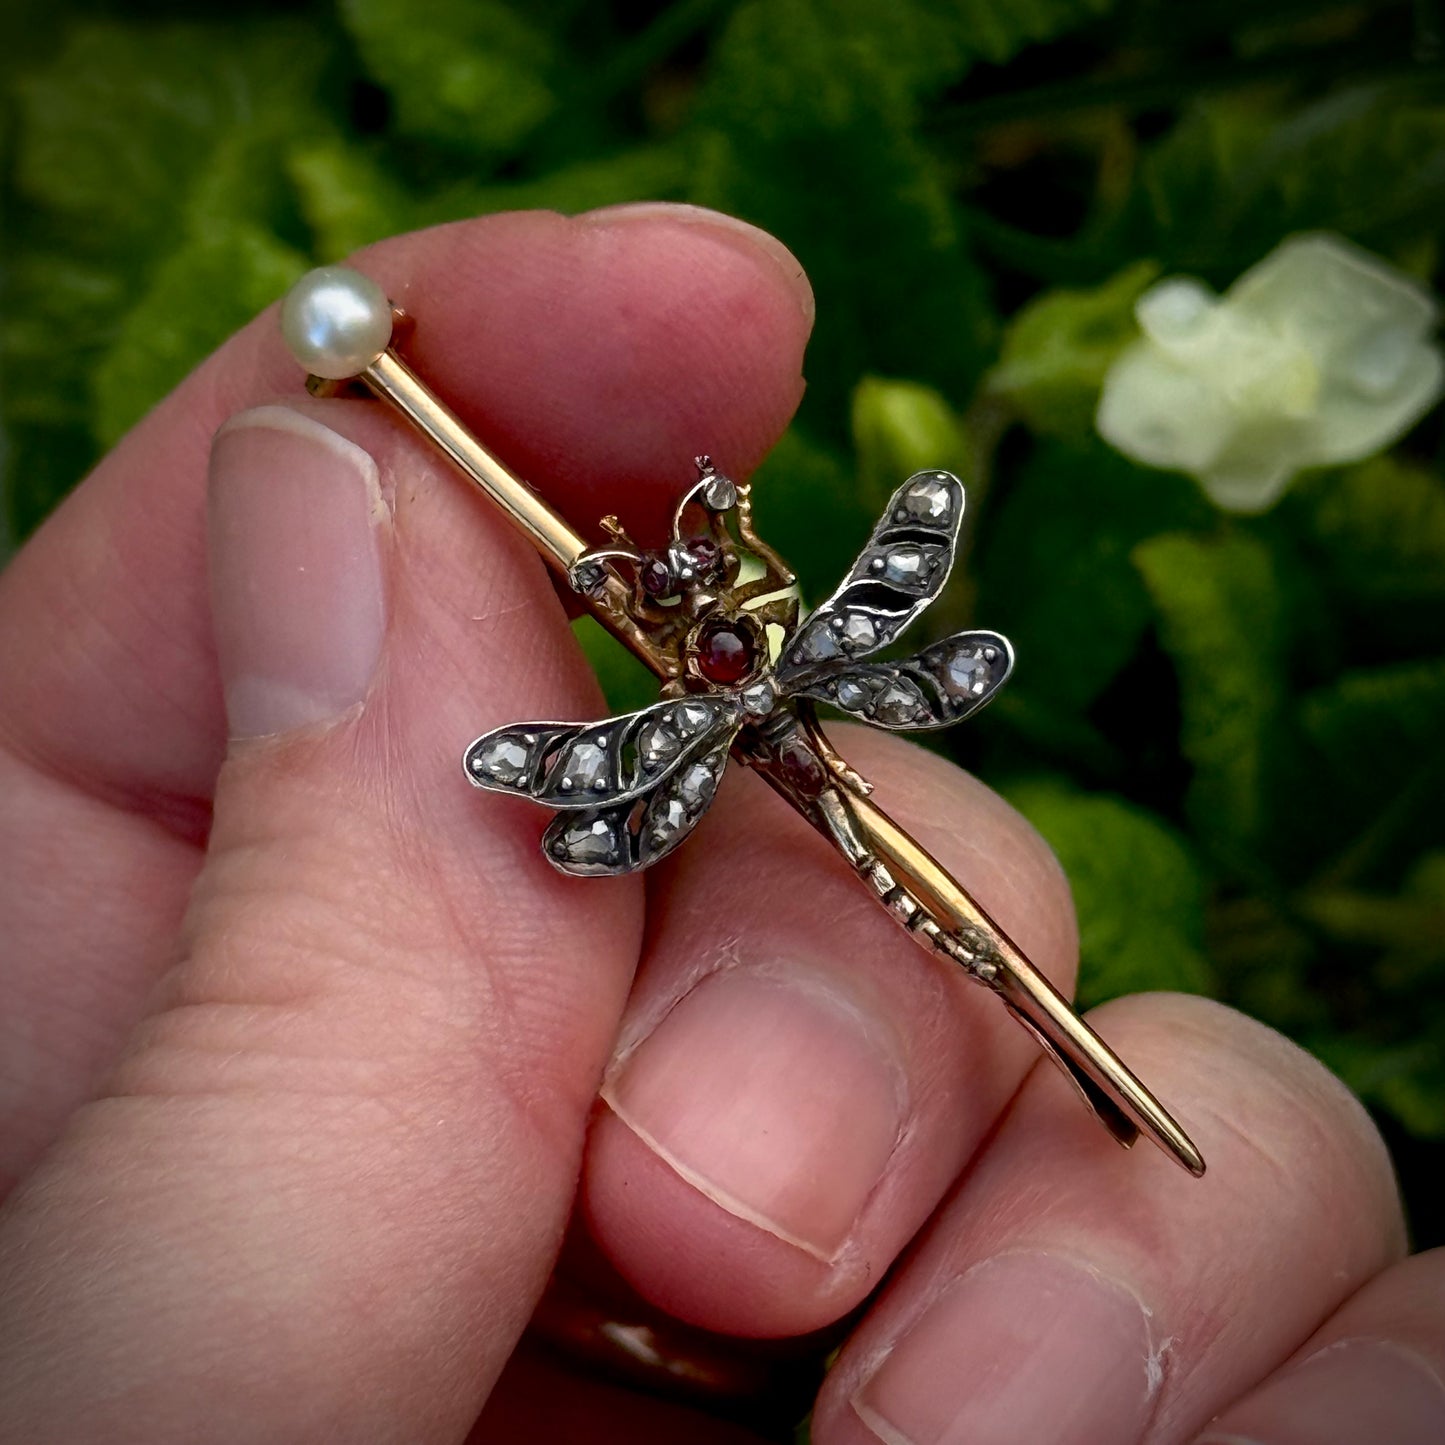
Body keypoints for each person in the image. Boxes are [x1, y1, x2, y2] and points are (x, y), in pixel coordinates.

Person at [0, 203, 1438, 1445]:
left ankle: (1047, 1049)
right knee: (910, 908)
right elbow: (587, 770)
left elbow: (786, 599)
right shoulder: (689, 645)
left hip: (789, 747)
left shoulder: (725, 627)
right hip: (769, 745)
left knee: (917, 907)